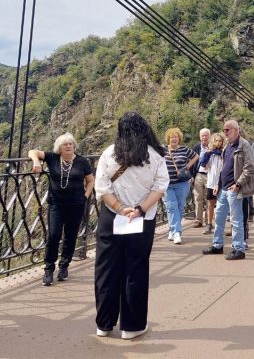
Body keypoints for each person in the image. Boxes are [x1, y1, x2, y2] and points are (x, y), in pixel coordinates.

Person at [94, 112, 169, 340]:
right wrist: (139, 209)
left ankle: (104, 324)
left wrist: (120, 208)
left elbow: (102, 188)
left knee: (106, 270)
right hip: (141, 220)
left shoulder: (109, 153)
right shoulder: (155, 155)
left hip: (111, 218)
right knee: (135, 270)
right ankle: (132, 327)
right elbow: (161, 186)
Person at [28, 133, 94, 285]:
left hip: (76, 204)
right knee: (54, 235)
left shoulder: (82, 161)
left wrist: (85, 196)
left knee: (71, 236)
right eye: (66, 144)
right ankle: (49, 269)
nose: (69, 146)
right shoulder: (52, 158)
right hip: (56, 204)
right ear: (59, 147)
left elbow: (90, 180)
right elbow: (32, 152)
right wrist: (36, 162)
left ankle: (64, 266)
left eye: (71, 144)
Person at [202, 120, 254, 260]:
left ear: (236, 130)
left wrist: (238, 184)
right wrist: (218, 185)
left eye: (228, 130)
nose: (225, 132)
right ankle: (217, 245)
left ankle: (239, 248)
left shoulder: (244, 145)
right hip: (223, 189)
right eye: (224, 130)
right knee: (219, 218)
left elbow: (250, 167)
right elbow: (223, 168)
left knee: (236, 220)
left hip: (235, 189)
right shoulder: (228, 146)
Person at [163, 127, 198, 245]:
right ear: (168, 139)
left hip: (182, 184)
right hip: (167, 184)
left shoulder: (184, 149)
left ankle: (171, 229)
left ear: (179, 139)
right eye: (172, 137)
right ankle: (177, 232)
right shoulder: (162, 150)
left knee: (179, 207)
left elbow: (196, 156)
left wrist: (187, 167)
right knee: (171, 207)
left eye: (176, 137)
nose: (174, 139)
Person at [199, 133, 225, 235]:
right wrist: (208, 153)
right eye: (216, 141)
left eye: (220, 141)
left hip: (222, 182)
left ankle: (220, 225)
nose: (218, 143)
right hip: (211, 181)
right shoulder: (209, 153)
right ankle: (209, 224)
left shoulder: (224, 152)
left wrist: (216, 152)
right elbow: (203, 164)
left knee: (222, 205)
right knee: (210, 203)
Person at [190, 128, 211, 228]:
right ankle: (198, 220)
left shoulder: (213, 146)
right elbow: (191, 161)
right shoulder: (197, 146)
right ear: (200, 137)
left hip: (210, 175)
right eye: (203, 135)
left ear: (209, 136)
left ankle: (208, 220)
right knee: (198, 197)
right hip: (198, 174)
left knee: (208, 198)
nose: (204, 137)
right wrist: (191, 176)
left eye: (206, 135)